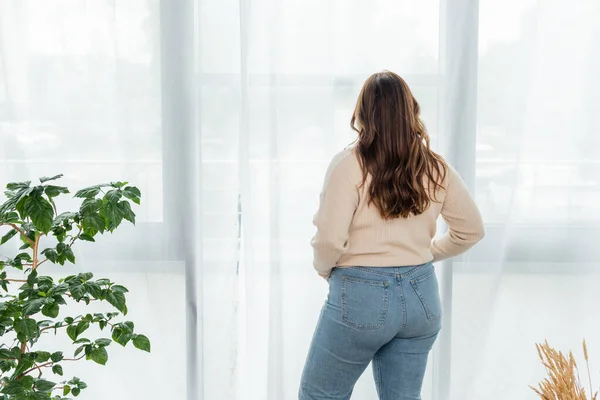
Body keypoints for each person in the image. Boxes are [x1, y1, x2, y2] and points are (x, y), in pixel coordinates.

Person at [299, 71, 485, 400]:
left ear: (363, 113)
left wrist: (327, 271)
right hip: (422, 297)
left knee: (320, 396)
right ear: (411, 110)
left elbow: (329, 240)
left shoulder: (348, 165)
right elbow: (471, 229)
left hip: (360, 295)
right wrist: (428, 253)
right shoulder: (435, 167)